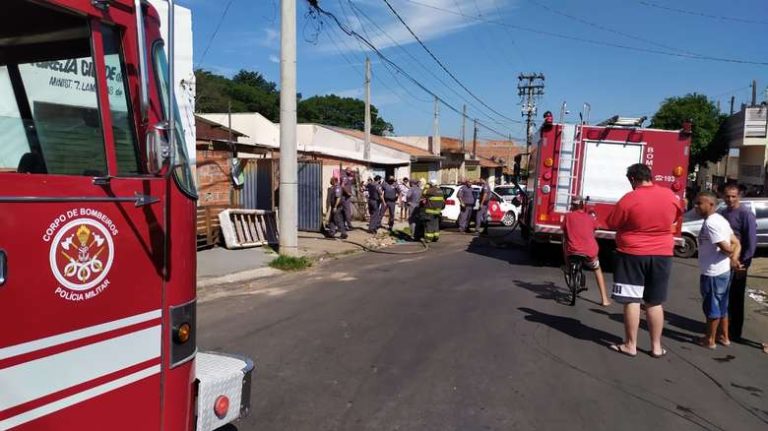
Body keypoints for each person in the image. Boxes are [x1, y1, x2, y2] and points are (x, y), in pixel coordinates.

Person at [606, 163, 683, 358]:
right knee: (654, 302)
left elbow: (612, 222)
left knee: (632, 300)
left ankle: (631, 345)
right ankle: (656, 347)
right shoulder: (669, 196)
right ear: (650, 176)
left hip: (632, 253)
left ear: (633, 179)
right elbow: (675, 217)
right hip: (662, 254)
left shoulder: (630, 199)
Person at [694, 191, 740, 349]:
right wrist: (734, 258)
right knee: (721, 305)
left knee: (712, 307)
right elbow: (736, 243)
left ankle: (710, 339)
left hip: (713, 272)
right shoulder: (720, 220)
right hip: (722, 270)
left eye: (700, 203)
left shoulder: (712, 223)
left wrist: (732, 256)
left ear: (711, 204)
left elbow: (728, 247)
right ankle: (724, 337)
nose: (696, 207)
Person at [720, 183, 757, 343]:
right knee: (723, 296)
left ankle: (735, 332)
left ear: (739, 196)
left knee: (736, 298)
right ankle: (723, 329)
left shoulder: (746, 214)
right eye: (727, 196)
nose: (730, 199)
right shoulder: (722, 213)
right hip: (723, 261)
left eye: (733, 196)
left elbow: (751, 241)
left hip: (739, 262)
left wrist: (745, 263)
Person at [561, 196, 610, 306]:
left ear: (572, 206)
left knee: (565, 244)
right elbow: (598, 226)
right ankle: (604, 299)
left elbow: (563, 229)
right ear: (583, 205)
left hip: (572, 251)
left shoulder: (568, 216)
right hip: (589, 252)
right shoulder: (590, 218)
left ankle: (568, 267)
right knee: (597, 268)